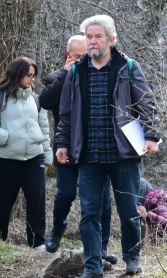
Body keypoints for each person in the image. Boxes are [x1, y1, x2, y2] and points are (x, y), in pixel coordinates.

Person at [55, 15, 161, 278]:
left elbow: (146, 104)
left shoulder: (128, 67)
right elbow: (65, 113)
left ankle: (132, 259)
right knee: (89, 213)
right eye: (89, 36)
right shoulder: (77, 72)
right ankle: (93, 268)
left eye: (98, 36)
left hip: (123, 153)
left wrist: (151, 136)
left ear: (112, 40)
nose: (92, 41)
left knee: (128, 210)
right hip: (88, 155)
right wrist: (62, 144)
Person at [40, 35, 116, 262]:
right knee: (65, 193)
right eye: (77, 57)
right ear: (68, 56)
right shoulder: (56, 78)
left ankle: (101, 246)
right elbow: (45, 101)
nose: (83, 60)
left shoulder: (102, 75)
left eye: (86, 56)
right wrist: (66, 73)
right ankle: (56, 232)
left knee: (102, 198)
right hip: (68, 149)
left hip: (96, 148)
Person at [0, 57, 52, 248]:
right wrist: (5, 137)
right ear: (17, 75)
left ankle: (38, 243)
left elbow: (44, 129)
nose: (32, 80)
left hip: (34, 159)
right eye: (29, 75)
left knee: (37, 203)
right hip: (5, 160)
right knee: (2, 204)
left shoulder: (36, 100)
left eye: (33, 76)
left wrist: (47, 156)